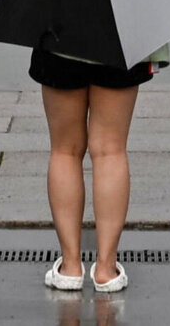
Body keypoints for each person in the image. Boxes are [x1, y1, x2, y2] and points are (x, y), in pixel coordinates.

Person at [30, 37, 153, 293]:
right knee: (111, 151)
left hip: (58, 33)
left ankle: (70, 267)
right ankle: (106, 269)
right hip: (121, 41)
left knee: (65, 151)